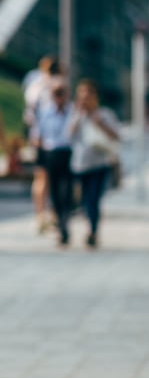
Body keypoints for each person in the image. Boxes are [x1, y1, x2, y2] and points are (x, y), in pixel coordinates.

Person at [68, 79, 121, 247]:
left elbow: (117, 136)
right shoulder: (77, 115)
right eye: (82, 97)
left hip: (100, 163)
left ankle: (93, 230)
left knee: (94, 199)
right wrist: (77, 117)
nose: (85, 101)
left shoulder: (105, 114)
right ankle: (91, 226)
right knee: (85, 200)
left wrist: (100, 123)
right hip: (80, 164)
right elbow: (68, 136)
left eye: (88, 96)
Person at [23, 55, 63, 232]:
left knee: (41, 177)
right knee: (56, 178)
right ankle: (54, 214)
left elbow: (29, 114)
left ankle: (40, 215)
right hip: (54, 139)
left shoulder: (33, 86)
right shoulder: (57, 86)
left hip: (37, 137)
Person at [34, 76, 73, 245]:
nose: (59, 97)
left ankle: (66, 216)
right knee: (55, 190)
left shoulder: (73, 111)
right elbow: (38, 135)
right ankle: (60, 222)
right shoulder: (45, 111)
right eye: (56, 93)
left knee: (68, 190)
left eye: (62, 93)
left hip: (70, 152)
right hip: (52, 153)